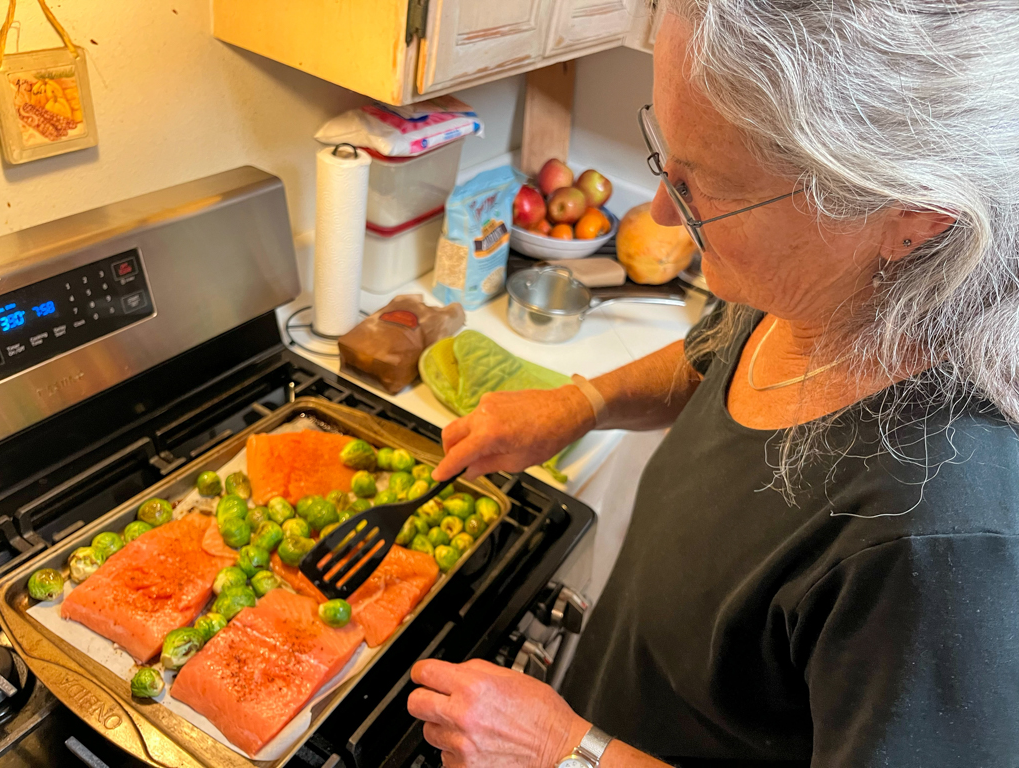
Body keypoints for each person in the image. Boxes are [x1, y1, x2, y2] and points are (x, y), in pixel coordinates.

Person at [407, 1, 1019, 766]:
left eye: (708, 187)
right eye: (669, 158)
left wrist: (568, 752)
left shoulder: (939, 542)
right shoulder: (818, 290)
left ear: (917, 217)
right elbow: (712, 355)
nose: (663, 209)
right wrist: (579, 404)